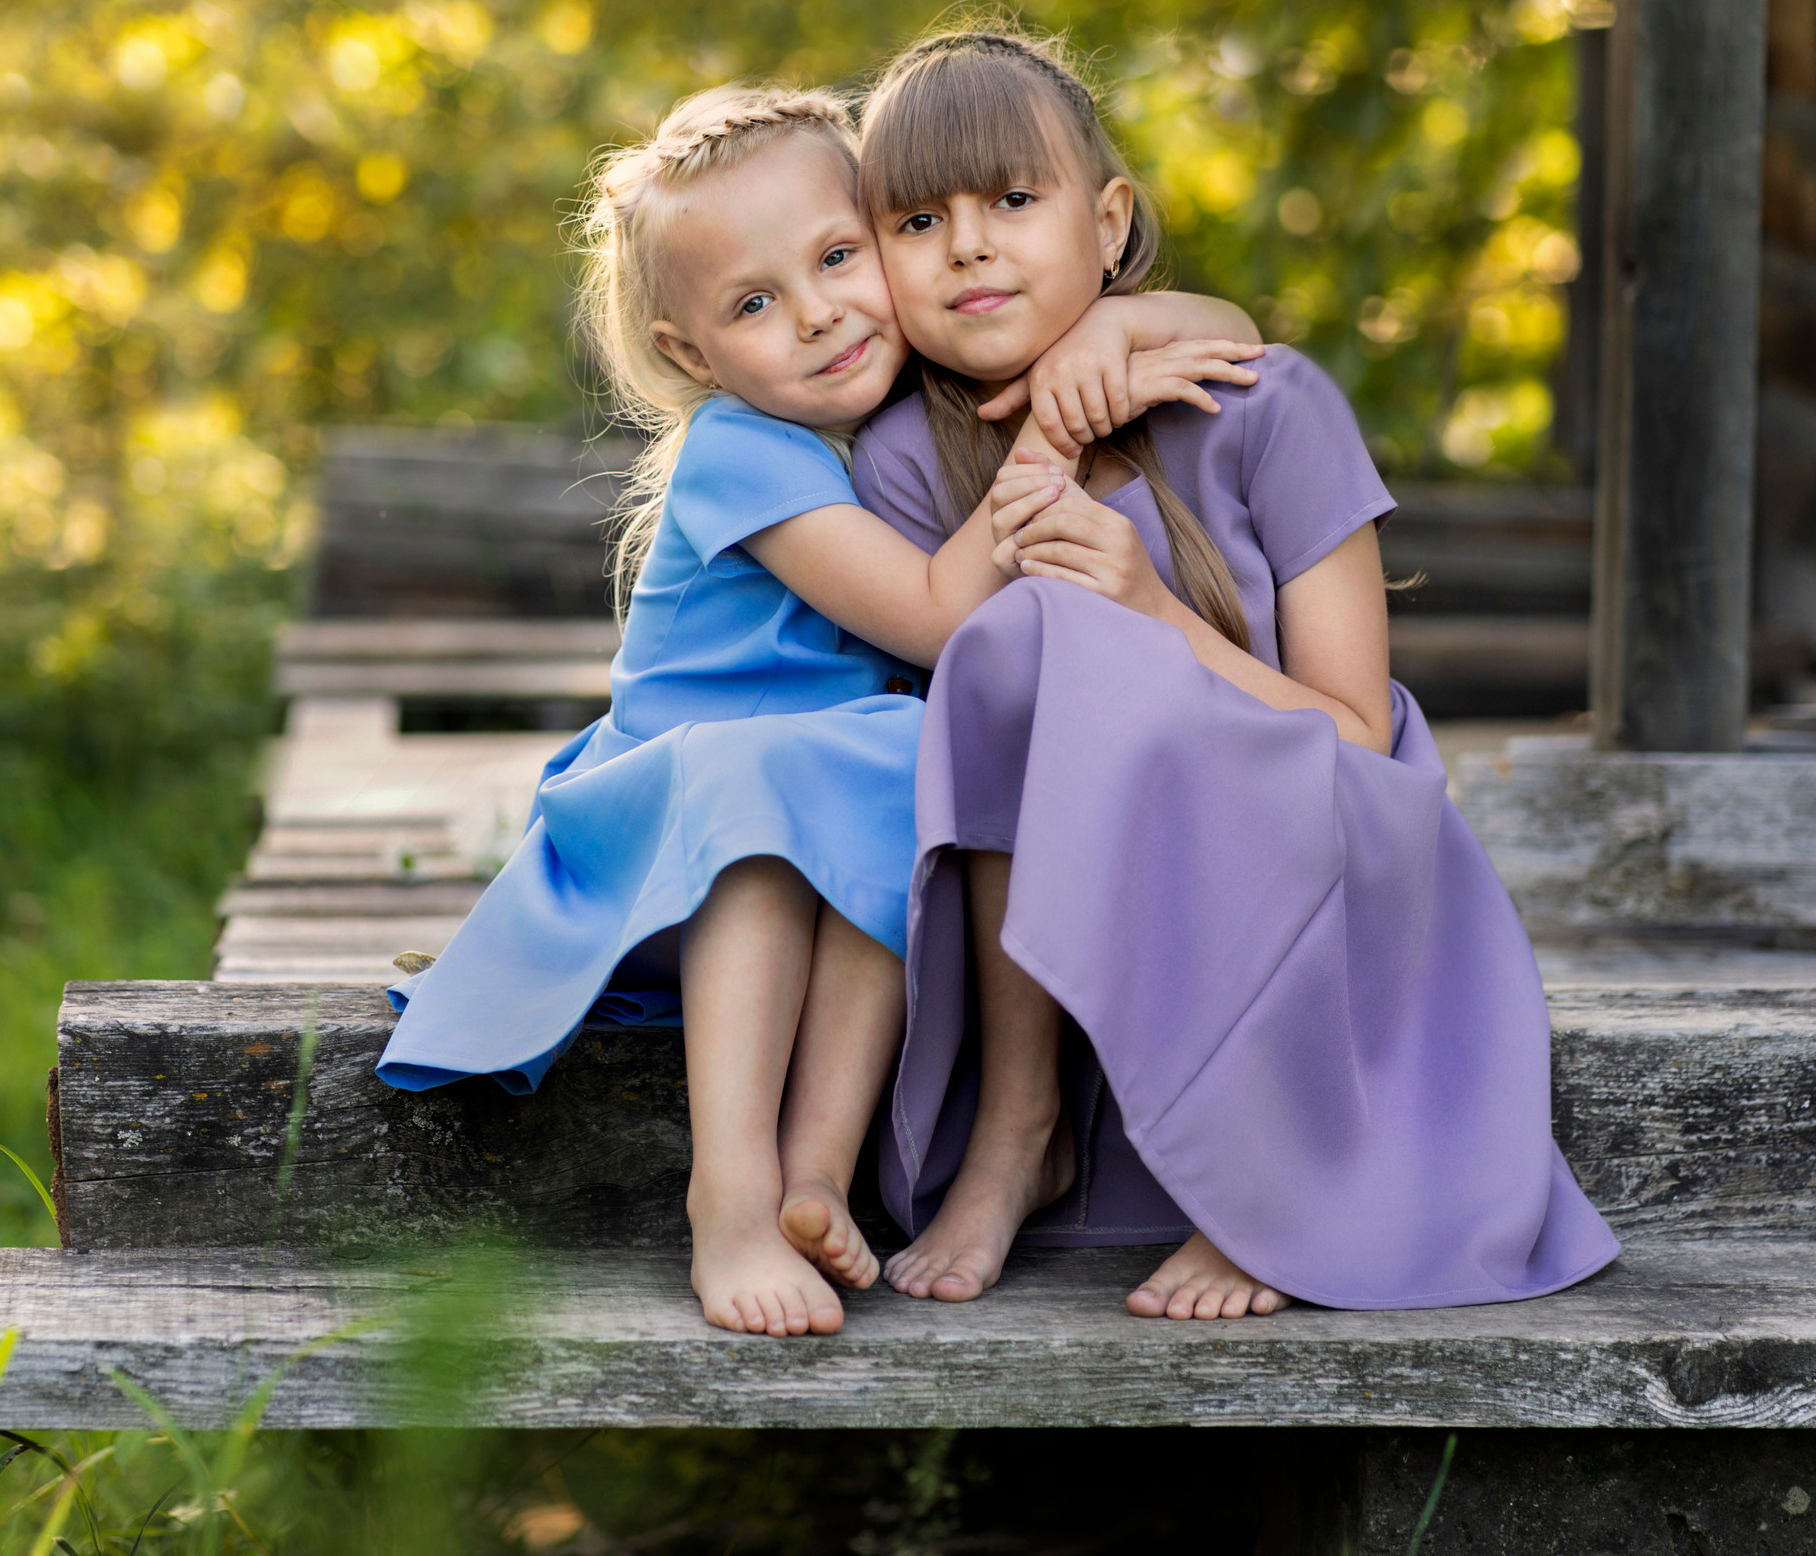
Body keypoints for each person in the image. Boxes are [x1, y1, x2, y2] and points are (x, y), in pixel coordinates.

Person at [375, 82, 1267, 1338]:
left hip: (820, 820)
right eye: (753, 303)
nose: (816, 314)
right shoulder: (739, 448)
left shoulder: (901, 412)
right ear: (692, 353)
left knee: (904, 764)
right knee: (783, 779)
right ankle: (731, 1198)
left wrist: (1098, 334)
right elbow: (937, 615)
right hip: (660, 848)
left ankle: (814, 1174)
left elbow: (1230, 327)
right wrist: (1052, 430)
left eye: (839, 257)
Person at [850, 24, 1621, 1318]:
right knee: (1012, 649)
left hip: (1317, 847)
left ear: (1108, 223)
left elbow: (1357, 738)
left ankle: (1268, 1174)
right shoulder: (903, 462)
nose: (967, 245)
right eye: (917, 221)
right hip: (1079, 894)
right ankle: (1022, 1126)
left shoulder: (1267, 405)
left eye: (1013, 201)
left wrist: (1153, 610)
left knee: (1090, 650)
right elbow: (958, 718)